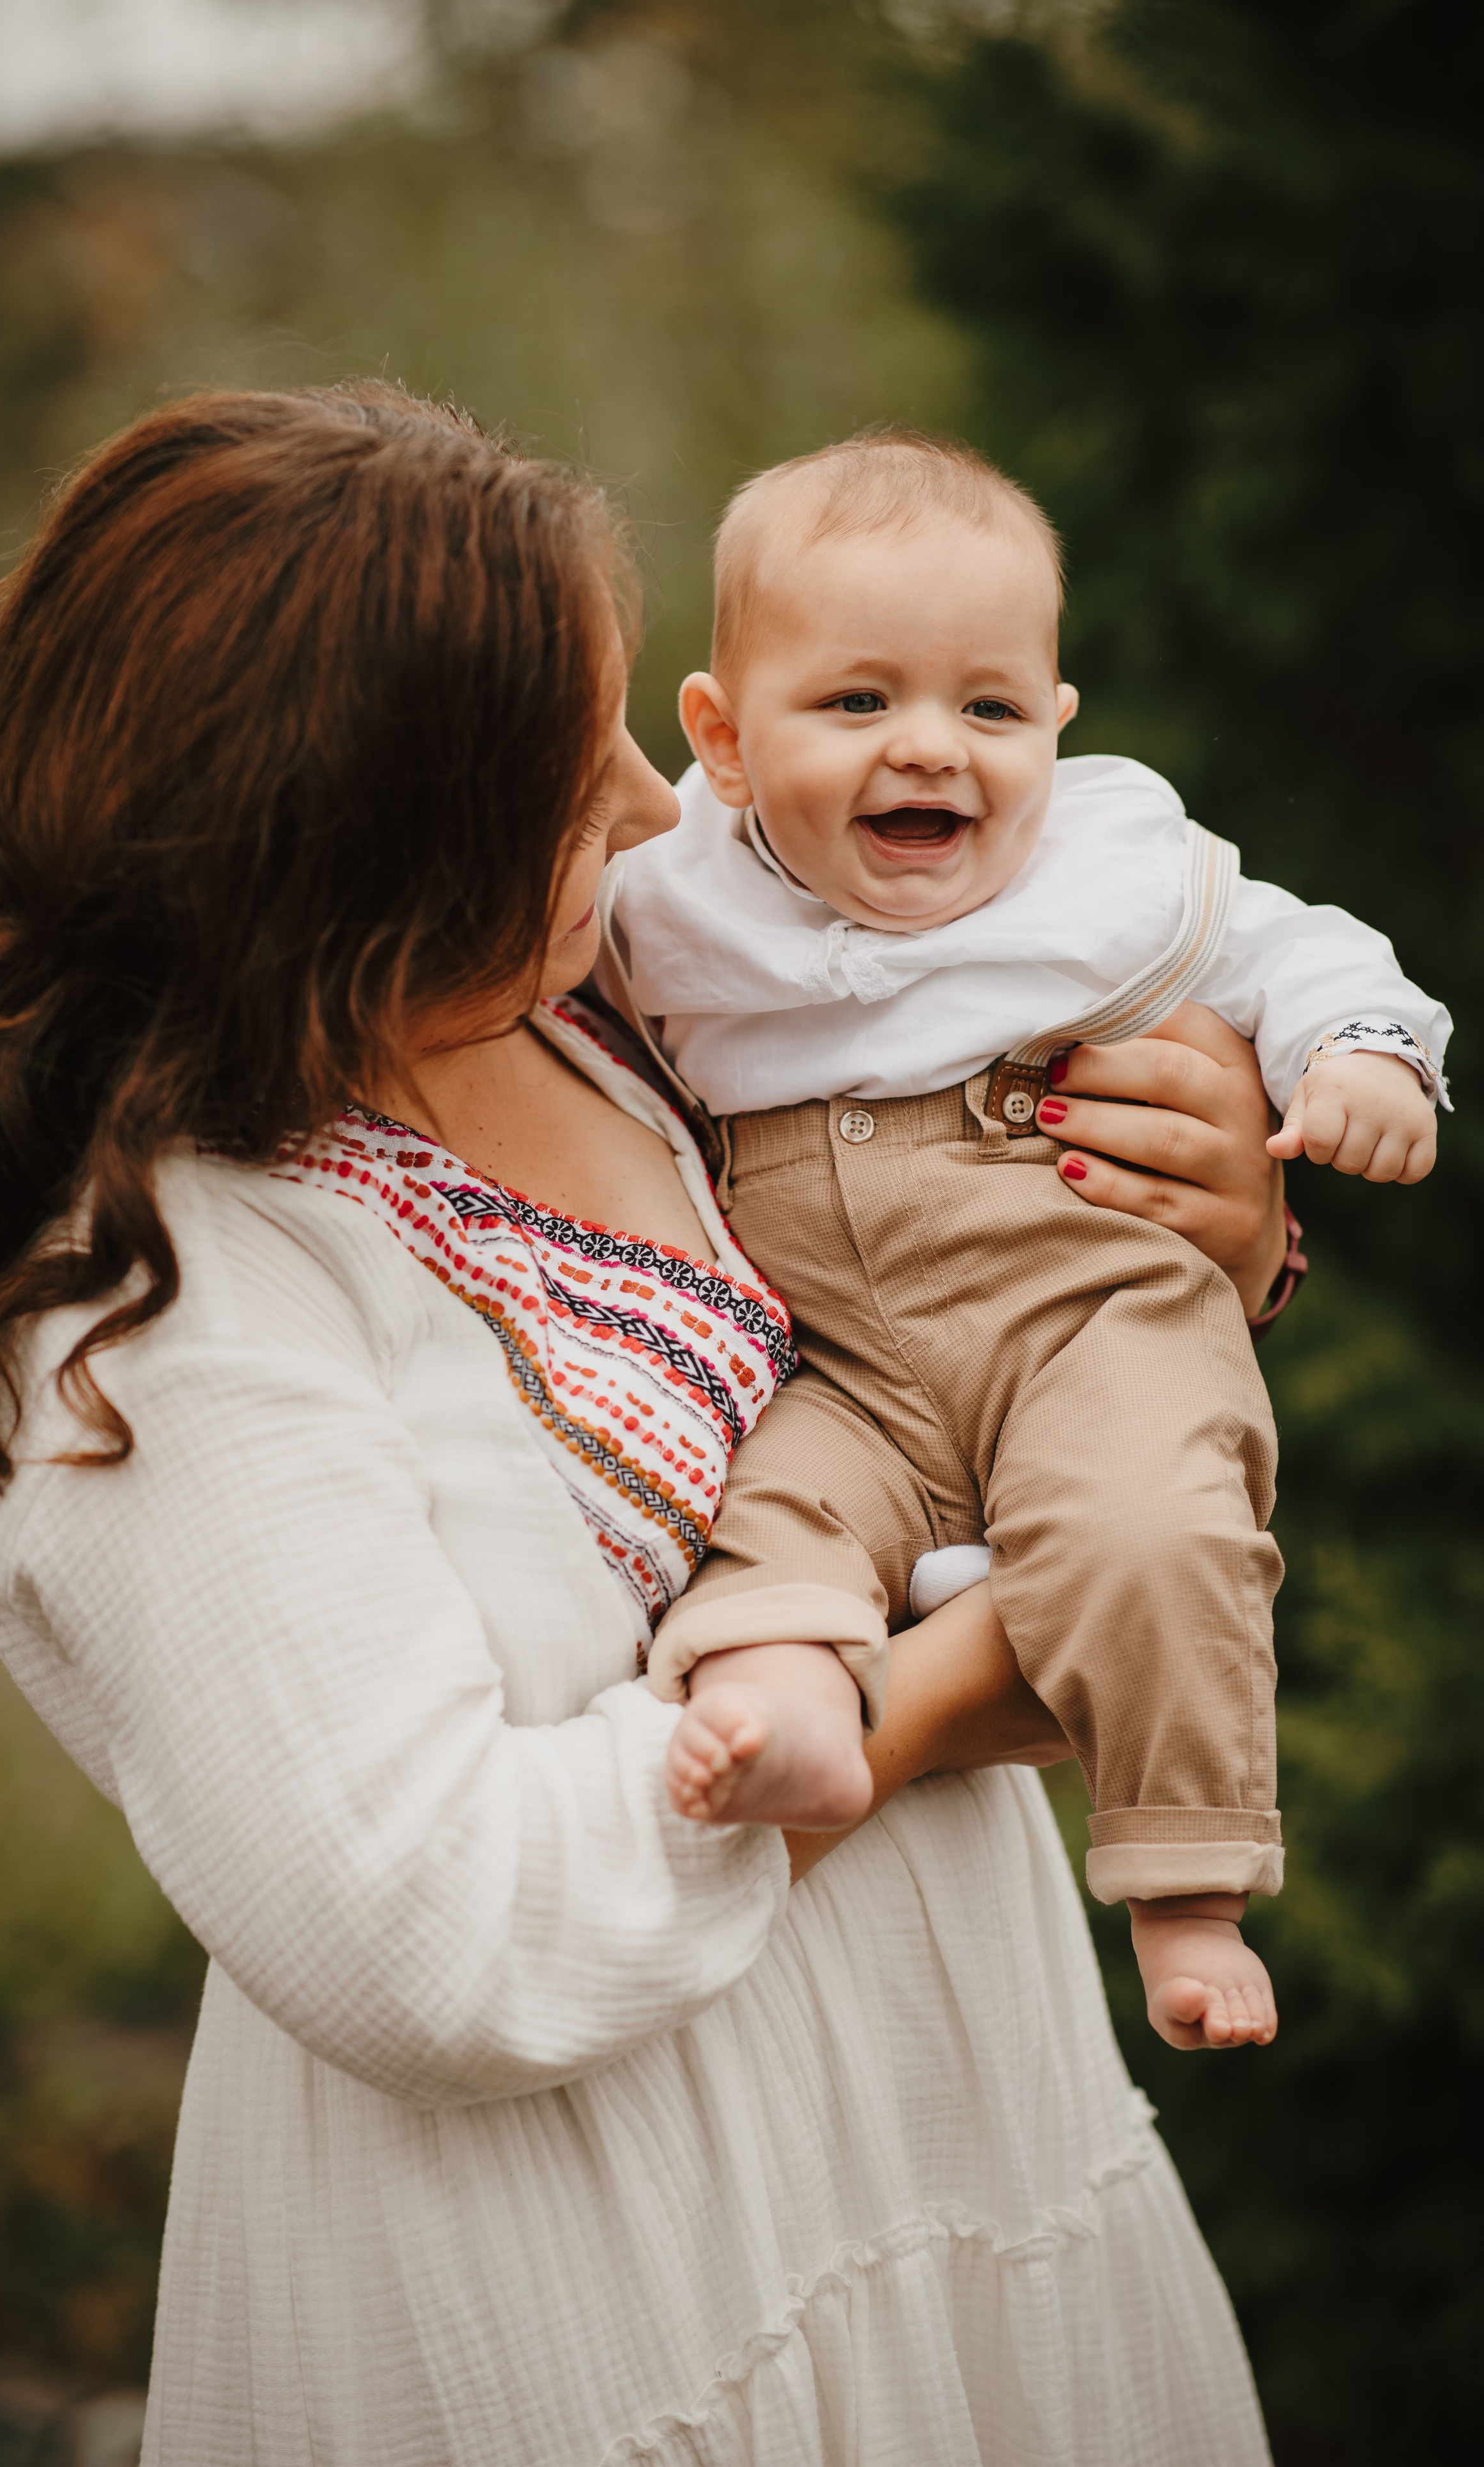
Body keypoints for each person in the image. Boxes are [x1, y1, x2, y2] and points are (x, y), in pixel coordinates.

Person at [0, 382, 1285, 2464]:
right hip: (604, 2277)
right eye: (558, 776)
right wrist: (963, 1685)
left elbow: (942, 1289)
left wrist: (1216, 1211)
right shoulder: (140, 1310)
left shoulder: (627, 1002)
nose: (648, 806)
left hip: (954, 2127)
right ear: (348, 869)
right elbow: (427, 1932)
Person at [601, 427, 1449, 2056]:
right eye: (857, 701)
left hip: (1087, 1315)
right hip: (834, 1367)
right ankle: (784, 1709)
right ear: (720, 737)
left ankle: (1183, 1886)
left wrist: (1358, 1056)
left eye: (988, 709)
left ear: (1055, 723)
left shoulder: (1103, 869)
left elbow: (1297, 948)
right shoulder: (664, 898)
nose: (930, 747)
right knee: (761, 1521)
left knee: (1155, 1530)